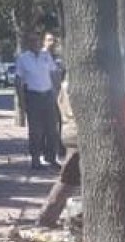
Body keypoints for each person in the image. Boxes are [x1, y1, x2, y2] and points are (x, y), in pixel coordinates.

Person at [15, 32, 60, 170]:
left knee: (52, 129)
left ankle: (51, 158)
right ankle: (35, 160)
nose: (35, 43)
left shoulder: (46, 56)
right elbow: (18, 81)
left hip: (48, 95)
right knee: (35, 131)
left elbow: (54, 73)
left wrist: (56, 91)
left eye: (37, 41)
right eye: (32, 41)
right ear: (28, 44)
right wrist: (21, 101)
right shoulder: (23, 59)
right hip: (33, 96)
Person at [38, 80, 79, 227]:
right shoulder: (77, 84)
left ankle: (48, 217)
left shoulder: (64, 84)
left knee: (69, 178)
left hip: (70, 130)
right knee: (68, 179)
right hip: (77, 134)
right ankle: (46, 218)